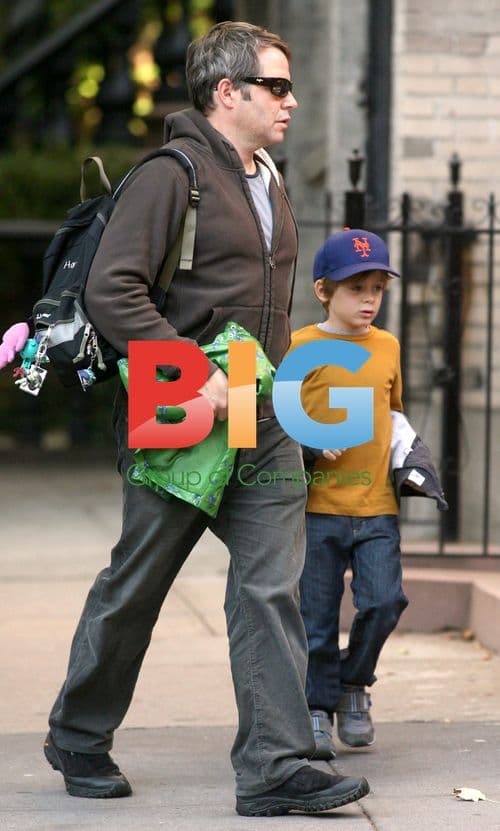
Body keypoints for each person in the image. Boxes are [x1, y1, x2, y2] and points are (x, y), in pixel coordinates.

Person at [42, 22, 369, 816]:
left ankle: (275, 764)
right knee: (139, 580)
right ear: (228, 92)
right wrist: (196, 374)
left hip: (259, 411)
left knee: (270, 584)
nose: (291, 101)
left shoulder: (269, 177)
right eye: (277, 86)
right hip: (181, 409)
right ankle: (78, 732)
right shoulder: (171, 174)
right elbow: (112, 290)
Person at [289, 228, 409, 761]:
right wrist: (308, 443)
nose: (369, 299)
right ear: (323, 291)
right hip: (318, 510)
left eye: (377, 288)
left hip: (377, 506)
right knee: (315, 620)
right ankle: (316, 708)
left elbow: (395, 415)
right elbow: (276, 423)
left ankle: (353, 683)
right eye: (356, 288)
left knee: (384, 602)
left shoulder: (388, 346)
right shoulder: (298, 347)